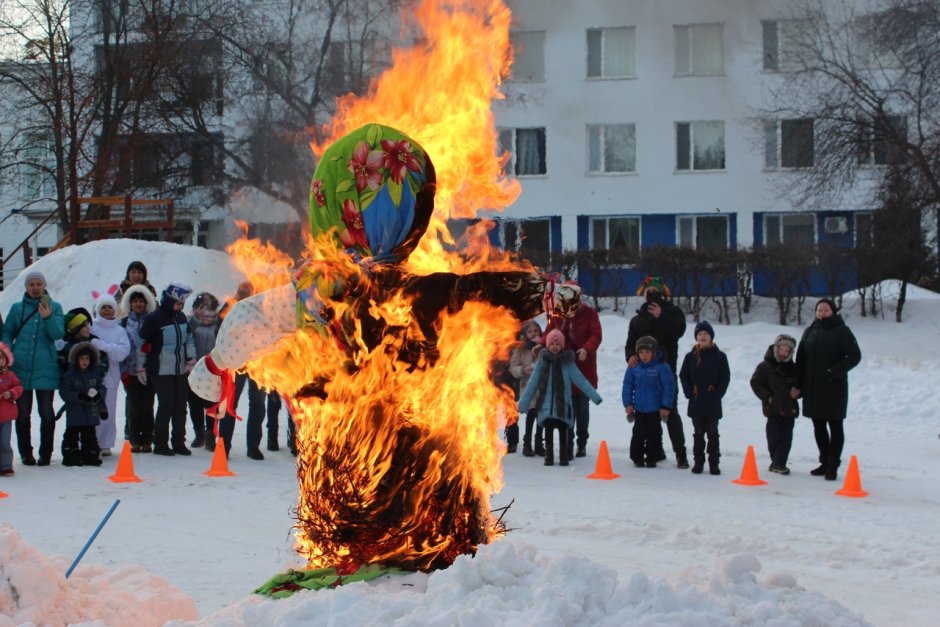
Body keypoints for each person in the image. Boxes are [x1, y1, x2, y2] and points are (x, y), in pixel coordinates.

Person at [188, 123, 552, 571]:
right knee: (420, 559)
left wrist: (215, 365)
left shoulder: (314, 288)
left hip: (374, 468)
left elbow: (251, 317)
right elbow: (469, 291)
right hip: (391, 470)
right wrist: (537, 292)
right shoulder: (346, 289)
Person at [2, 271, 65, 466]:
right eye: (32, 284)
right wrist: (9, 353)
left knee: (46, 412)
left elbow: (57, 334)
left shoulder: (54, 307)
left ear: (44, 286)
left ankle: (45, 453)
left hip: (46, 367)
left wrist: (47, 317)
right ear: (27, 287)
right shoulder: (17, 308)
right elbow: (7, 334)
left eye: (39, 284)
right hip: (20, 368)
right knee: (22, 413)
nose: (35, 287)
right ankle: (26, 453)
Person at [625, 275, 688, 469]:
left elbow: (679, 331)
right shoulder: (638, 318)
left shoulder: (673, 312)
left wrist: (663, 316)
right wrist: (630, 357)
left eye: (655, 292)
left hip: (665, 372)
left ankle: (681, 454)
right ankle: (656, 451)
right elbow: (630, 344)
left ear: (662, 294)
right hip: (643, 375)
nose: (651, 296)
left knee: (669, 412)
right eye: (648, 293)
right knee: (646, 417)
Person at [795, 298, 861, 481]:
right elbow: (800, 360)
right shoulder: (810, 331)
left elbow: (855, 356)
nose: (822, 313)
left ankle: (833, 464)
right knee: (818, 425)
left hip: (834, 387)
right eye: (819, 310)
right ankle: (824, 462)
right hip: (813, 386)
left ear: (833, 311)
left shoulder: (842, 331)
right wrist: (798, 384)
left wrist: (834, 371)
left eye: (825, 310)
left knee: (835, 425)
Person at [518, 329, 602, 467]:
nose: (554, 347)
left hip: (563, 406)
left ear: (562, 346)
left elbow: (581, 381)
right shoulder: (541, 363)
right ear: (547, 346)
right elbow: (532, 384)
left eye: (557, 344)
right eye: (551, 344)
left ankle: (564, 456)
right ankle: (549, 457)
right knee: (549, 431)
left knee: (564, 432)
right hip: (546, 406)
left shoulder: (568, 363)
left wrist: (594, 396)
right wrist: (523, 404)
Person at [539, 282, 601, 459]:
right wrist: (540, 345)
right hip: (563, 367)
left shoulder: (589, 314)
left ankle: (582, 443)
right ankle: (569, 443)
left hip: (583, 368)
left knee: (582, 409)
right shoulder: (558, 314)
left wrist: (586, 349)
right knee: (568, 408)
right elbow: (549, 333)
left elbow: (596, 335)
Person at [139, 283, 197, 456]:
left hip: (180, 369)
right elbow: (143, 344)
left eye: (182, 304)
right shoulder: (155, 318)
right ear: (170, 301)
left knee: (181, 406)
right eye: (178, 303)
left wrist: (191, 359)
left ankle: (179, 441)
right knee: (166, 405)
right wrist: (140, 367)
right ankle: (161, 443)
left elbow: (188, 339)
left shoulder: (181, 318)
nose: (180, 307)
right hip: (161, 369)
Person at [678, 321, 730, 475]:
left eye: (706, 334)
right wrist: (688, 393)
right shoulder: (690, 357)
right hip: (696, 401)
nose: (703, 336)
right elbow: (683, 376)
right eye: (700, 334)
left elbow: (725, 378)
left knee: (713, 433)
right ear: (696, 337)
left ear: (711, 337)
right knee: (698, 433)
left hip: (713, 402)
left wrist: (718, 394)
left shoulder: (720, 356)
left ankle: (714, 463)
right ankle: (698, 462)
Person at [750, 334, 800, 475]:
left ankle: (780, 463)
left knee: (786, 437)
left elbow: (800, 385)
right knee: (773, 437)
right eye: (781, 350)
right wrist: (767, 397)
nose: (784, 353)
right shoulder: (764, 366)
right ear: (775, 349)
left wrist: (798, 392)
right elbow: (755, 383)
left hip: (789, 409)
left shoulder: (793, 368)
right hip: (772, 409)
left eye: (787, 351)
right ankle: (775, 461)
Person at [622, 336, 673, 468]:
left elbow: (669, 387)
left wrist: (665, 406)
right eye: (641, 352)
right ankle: (636, 457)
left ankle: (652, 458)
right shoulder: (634, 366)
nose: (644, 355)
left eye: (648, 352)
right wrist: (628, 404)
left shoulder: (662, 367)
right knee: (638, 433)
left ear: (654, 352)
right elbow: (627, 385)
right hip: (639, 408)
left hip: (655, 409)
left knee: (653, 434)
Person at [90, 288, 131, 457]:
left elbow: (122, 352)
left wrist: (105, 347)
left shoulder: (119, 330)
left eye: (109, 307)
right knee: (92, 410)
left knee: (108, 411)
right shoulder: (92, 327)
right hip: (93, 377)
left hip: (111, 377)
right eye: (103, 307)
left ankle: (105, 443)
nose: (106, 310)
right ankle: (91, 441)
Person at [118, 285, 158, 453]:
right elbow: (121, 346)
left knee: (148, 406)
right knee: (134, 407)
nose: (138, 304)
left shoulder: (152, 320)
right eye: (135, 301)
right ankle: (134, 439)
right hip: (130, 372)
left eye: (141, 301)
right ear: (130, 303)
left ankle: (148, 439)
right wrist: (123, 371)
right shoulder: (125, 322)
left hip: (148, 371)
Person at [58, 342, 108, 467]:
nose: (85, 361)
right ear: (75, 359)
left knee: (90, 435)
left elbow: (102, 388)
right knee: (71, 435)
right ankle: (71, 455)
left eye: (87, 358)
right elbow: (64, 392)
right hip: (75, 412)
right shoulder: (70, 375)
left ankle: (90, 455)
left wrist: (98, 395)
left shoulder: (94, 375)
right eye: (82, 358)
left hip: (91, 412)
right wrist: (79, 396)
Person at [187, 292, 223, 449]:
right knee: (194, 402)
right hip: (194, 368)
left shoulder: (219, 323)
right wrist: (195, 318)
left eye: (209, 307)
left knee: (212, 403)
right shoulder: (192, 322)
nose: (206, 312)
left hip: (213, 367)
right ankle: (199, 434)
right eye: (202, 307)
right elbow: (187, 335)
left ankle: (210, 435)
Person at [509, 320, 542, 457]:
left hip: (542, 386)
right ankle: (527, 444)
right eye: (530, 331)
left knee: (542, 416)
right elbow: (513, 367)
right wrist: (523, 369)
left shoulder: (544, 345)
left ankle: (539, 443)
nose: (533, 334)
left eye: (536, 331)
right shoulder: (521, 349)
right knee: (531, 414)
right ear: (525, 334)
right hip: (527, 386)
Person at [0, 342, 24, 477]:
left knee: (4, 442)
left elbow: (18, 387)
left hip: (6, 415)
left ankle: (6, 466)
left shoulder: (9, 375)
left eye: (1, 357)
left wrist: (11, 393)